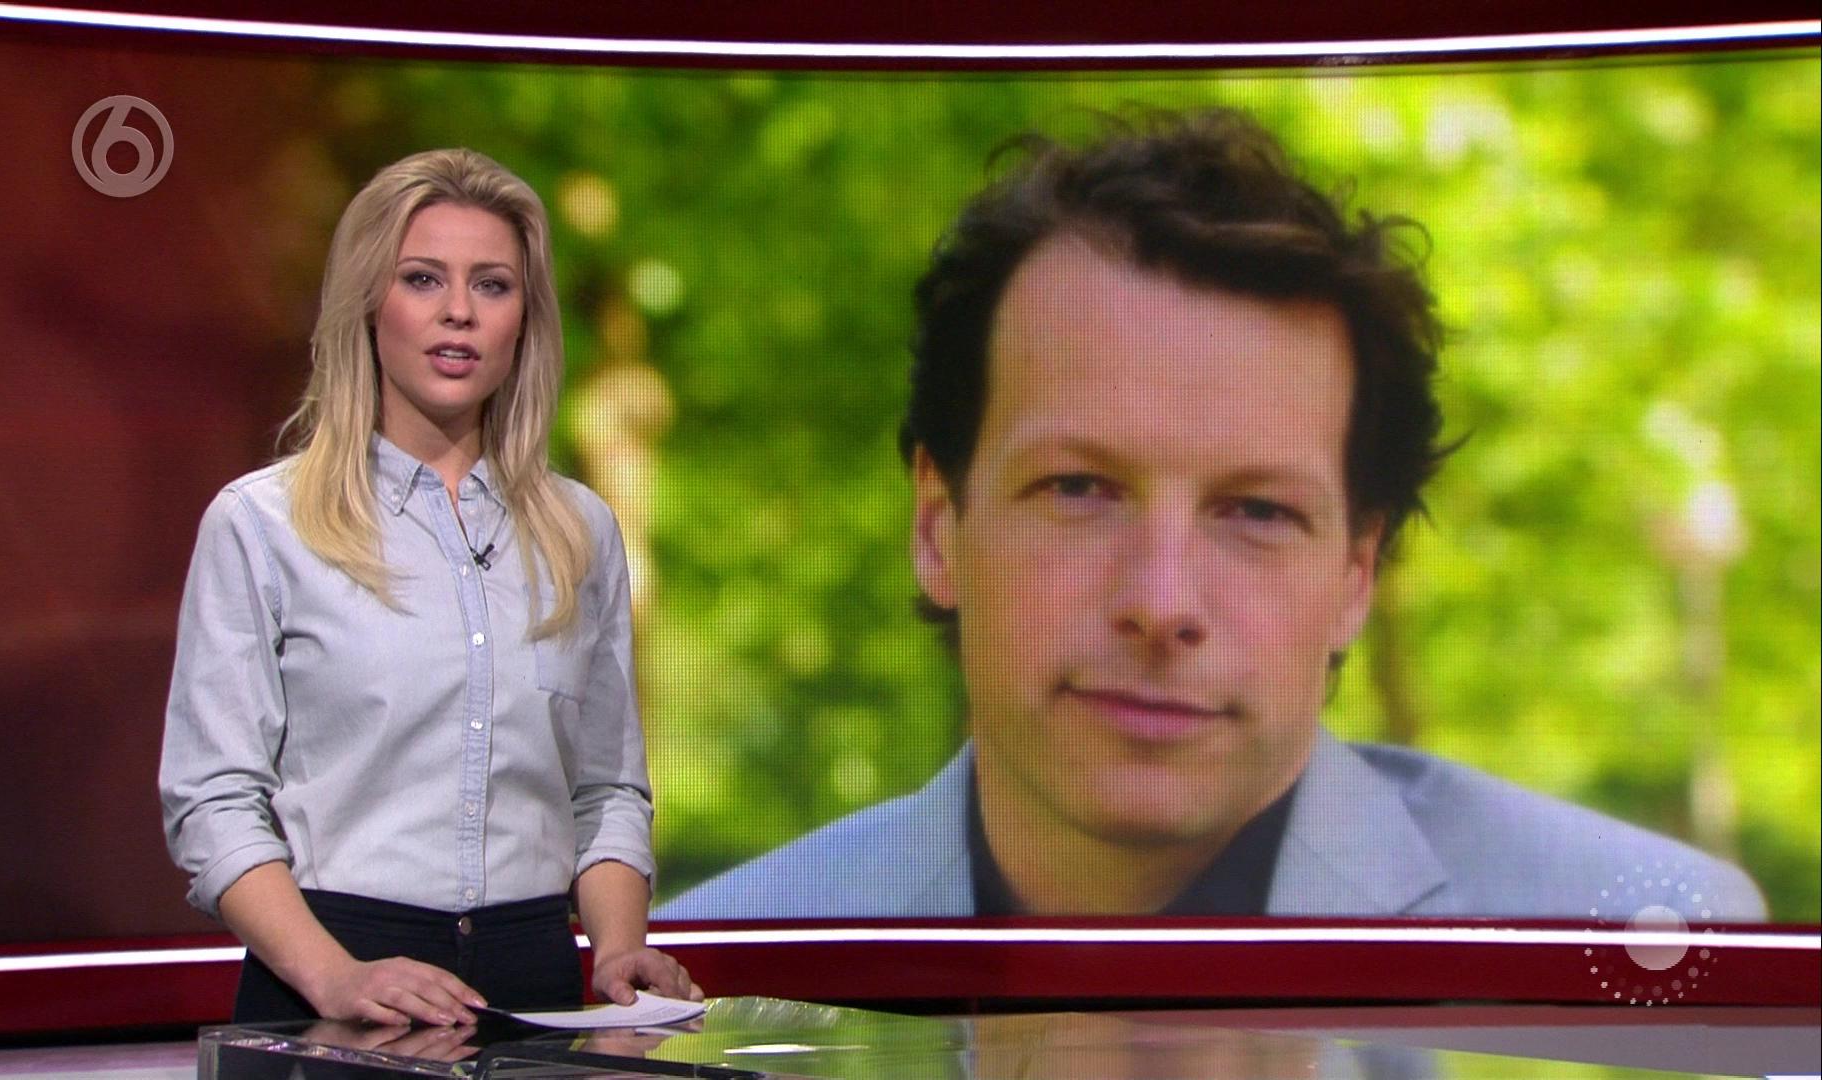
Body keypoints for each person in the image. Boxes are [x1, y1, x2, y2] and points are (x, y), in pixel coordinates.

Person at [658, 110, 1766, 922]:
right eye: (1079, 489)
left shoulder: (1653, 946)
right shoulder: (711, 982)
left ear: (1356, 577)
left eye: (1258, 511)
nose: (1161, 604)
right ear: (939, 526)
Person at [161, 148, 700, 1025]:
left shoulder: (580, 530)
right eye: (422, 279)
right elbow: (213, 803)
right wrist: (337, 978)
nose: (459, 311)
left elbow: (605, 791)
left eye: (492, 285)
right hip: (329, 977)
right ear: (368, 303)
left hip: (534, 981)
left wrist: (617, 948)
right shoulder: (263, 523)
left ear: (525, 320)